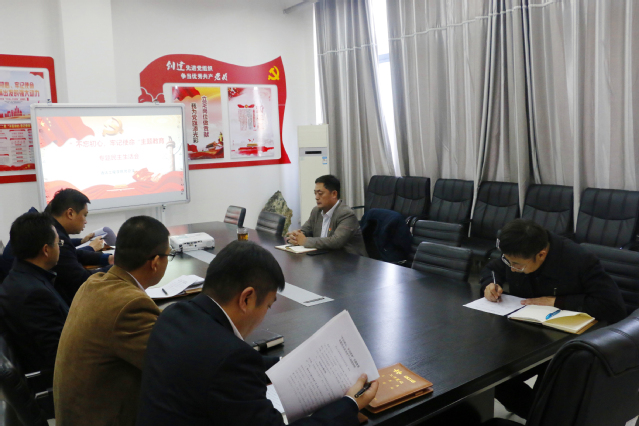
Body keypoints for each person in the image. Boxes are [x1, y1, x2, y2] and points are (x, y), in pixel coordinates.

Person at [136, 241, 378, 426]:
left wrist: (286, 363)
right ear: (247, 298)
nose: (265, 314)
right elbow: (228, 365)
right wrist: (349, 404)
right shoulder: (230, 359)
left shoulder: (173, 315)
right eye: (268, 306)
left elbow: (215, 363)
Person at [480, 218, 626, 419]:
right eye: (508, 262)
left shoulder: (579, 260)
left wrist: (558, 301)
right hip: (524, 336)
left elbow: (613, 306)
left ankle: (546, 417)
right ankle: (542, 417)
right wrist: (490, 284)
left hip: (566, 341)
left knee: (547, 392)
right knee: (490, 379)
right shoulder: (518, 252)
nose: (512, 269)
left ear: (541, 254)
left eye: (517, 265)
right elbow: (492, 268)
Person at [54, 216, 170, 426]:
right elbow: (171, 367)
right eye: (168, 255)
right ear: (155, 263)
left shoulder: (94, 283)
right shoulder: (130, 305)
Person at [0, 212, 68, 374]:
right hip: (55, 379)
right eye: (58, 243)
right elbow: (60, 355)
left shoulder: (19, 276)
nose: (59, 248)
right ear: (46, 250)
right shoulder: (35, 294)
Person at [46, 188, 113, 304]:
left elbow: (73, 253)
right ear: (70, 213)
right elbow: (82, 280)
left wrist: (107, 258)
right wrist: (117, 268)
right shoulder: (55, 238)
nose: (85, 221)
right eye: (84, 215)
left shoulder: (53, 229)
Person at [287, 175, 367, 256]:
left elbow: (336, 241)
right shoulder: (316, 211)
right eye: (315, 193)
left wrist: (305, 241)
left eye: (320, 193)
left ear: (334, 194)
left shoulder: (346, 214)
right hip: (324, 258)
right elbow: (305, 230)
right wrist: (295, 237)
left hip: (349, 260)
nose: (316, 197)